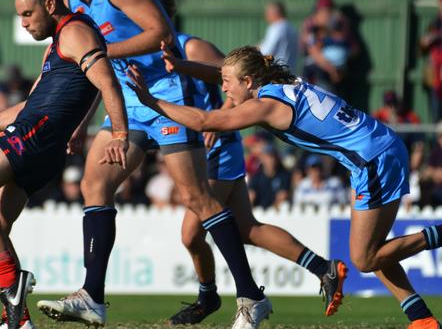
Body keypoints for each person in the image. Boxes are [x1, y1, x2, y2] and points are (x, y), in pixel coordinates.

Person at [127, 45, 442, 329]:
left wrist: (150, 100)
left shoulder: (265, 106)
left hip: (373, 160)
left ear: (249, 82)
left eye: (228, 83)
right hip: (380, 147)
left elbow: (206, 122)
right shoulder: (279, 83)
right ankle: (422, 319)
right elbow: (222, 73)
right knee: (375, 250)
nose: (222, 88)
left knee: (365, 258)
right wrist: (182, 66)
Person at [38, 0, 270, 328]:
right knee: (94, 184)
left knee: (197, 198)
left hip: (165, 96)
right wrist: (81, 122)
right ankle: (91, 297)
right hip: (128, 106)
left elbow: (159, 33)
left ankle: (251, 296)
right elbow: (95, 70)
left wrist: (102, 50)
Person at [0, 0, 129, 329]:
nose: (23, 23)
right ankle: (18, 322)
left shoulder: (75, 33)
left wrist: (118, 133)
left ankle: (14, 285)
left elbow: (108, 82)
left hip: (33, 136)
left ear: (50, 5)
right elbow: (29, 105)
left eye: (27, 14)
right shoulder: (60, 43)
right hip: (44, 144)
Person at [155, 0, 344, 324]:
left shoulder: (190, 46)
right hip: (198, 145)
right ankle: (322, 267)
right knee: (247, 229)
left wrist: (220, 119)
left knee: (191, 232)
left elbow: (231, 80)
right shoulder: (143, 52)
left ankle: (213, 297)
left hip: (215, 144)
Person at [420, 0, 442, 121]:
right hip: (435, 74)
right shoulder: (435, 23)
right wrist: (426, 41)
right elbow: (422, 47)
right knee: (436, 115)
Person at [259, 1, 298, 73]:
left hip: (277, 73)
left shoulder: (276, 27)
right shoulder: (291, 27)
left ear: (274, 13)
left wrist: (257, 48)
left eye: (268, 13)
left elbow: (267, 51)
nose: (266, 16)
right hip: (290, 71)